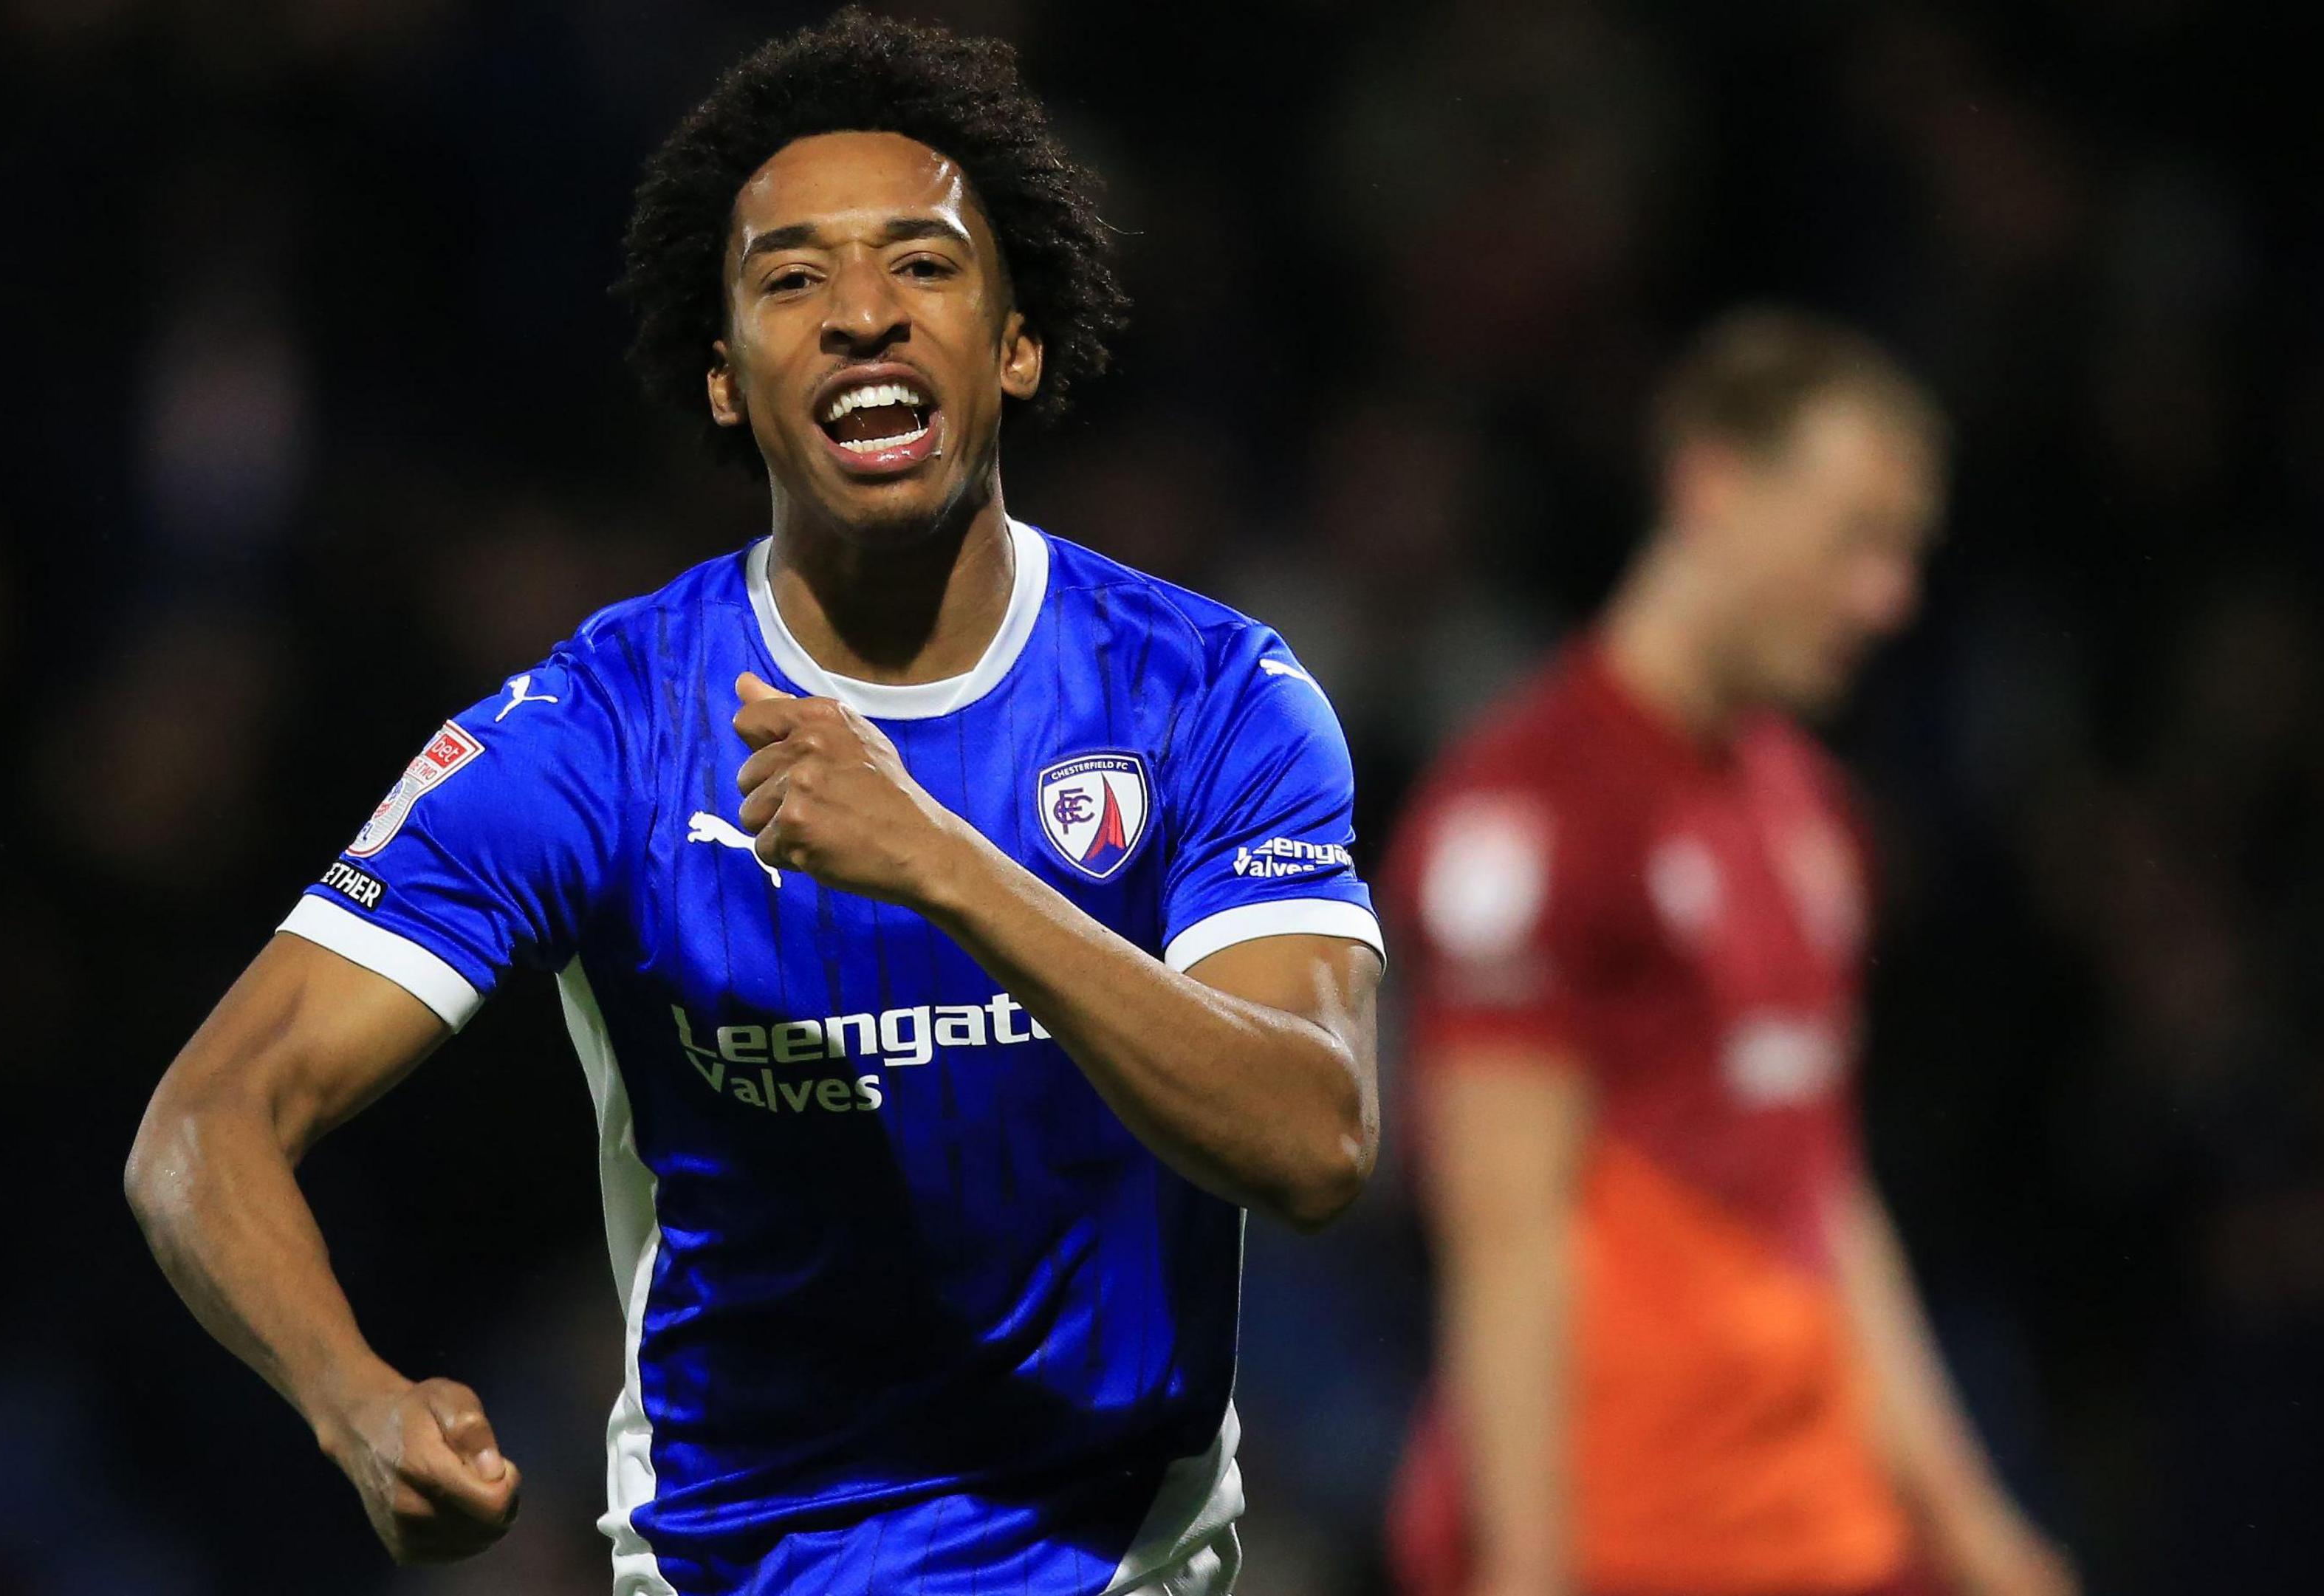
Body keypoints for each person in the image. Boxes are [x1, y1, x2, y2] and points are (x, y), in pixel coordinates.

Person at [123, 12, 1387, 1593]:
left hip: (1120, 1566)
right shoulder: (602, 731)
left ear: (1018, 342)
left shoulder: (1209, 697)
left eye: (922, 265)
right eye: (794, 278)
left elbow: (1317, 1137)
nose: (862, 314)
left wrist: (946, 865)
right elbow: (202, 1124)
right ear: (724, 379)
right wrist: (355, 1402)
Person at [1382, 308, 2078, 1596]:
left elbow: (1820, 1189)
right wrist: (1527, 1569)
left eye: (1908, 553)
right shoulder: (1527, 817)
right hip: (1635, 1543)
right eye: (1857, 540)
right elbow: (1504, 1240)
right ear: (1713, 484)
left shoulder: (1811, 814)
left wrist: (1976, 1527)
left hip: (1827, 1535)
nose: (1889, 598)